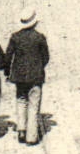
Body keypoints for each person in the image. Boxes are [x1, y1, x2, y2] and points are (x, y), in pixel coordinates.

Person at [6, 10, 50, 145]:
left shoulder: (15, 37)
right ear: (35, 22)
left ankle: (21, 130)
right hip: (35, 77)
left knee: (21, 101)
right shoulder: (40, 37)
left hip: (19, 77)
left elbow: (8, 56)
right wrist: (39, 66)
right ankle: (31, 136)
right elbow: (46, 57)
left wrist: (8, 72)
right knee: (33, 105)